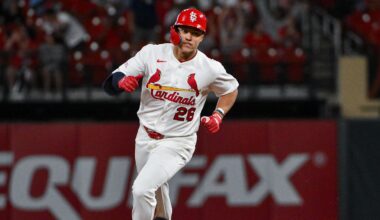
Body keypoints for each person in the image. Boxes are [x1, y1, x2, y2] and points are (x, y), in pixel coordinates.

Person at [103, 8, 239, 220]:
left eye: (195, 33)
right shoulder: (152, 54)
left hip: (178, 141)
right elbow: (112, 81)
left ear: (202, 37)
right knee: (156, 189)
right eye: (184, 30)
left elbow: (231, 89)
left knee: (141, 189)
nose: (188, 37)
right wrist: (120, 81)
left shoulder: (209, 68)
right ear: (174, 31)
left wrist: (218, 114)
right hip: (145, 136)